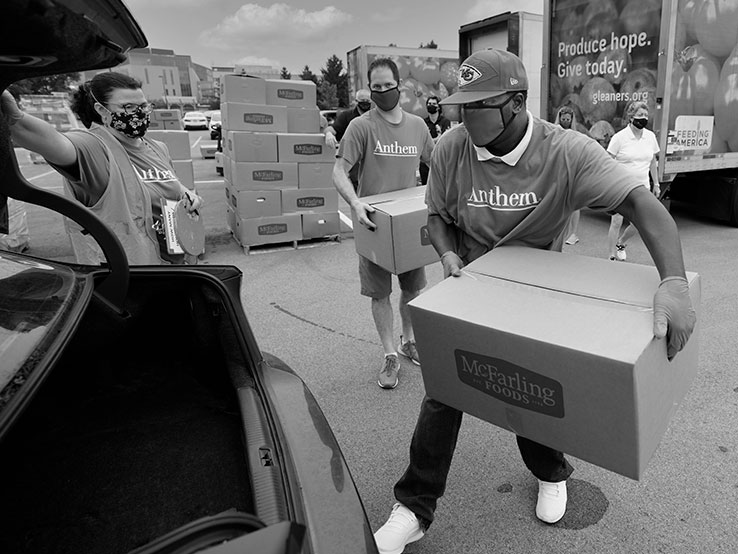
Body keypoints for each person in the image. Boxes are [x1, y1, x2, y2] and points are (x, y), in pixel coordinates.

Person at [373, 48, 696, 554]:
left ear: (517, 103)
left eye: (479, 105)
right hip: (475, 288)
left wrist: (672, 279)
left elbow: (640, 202)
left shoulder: (565, 152)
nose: (464, 116)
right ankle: (414, 507)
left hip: (536, 296)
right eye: (463, 105)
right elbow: (435, 213)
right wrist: (447, 253)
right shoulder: (451, 149)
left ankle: (550, 472)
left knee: (530, 387)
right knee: (444, 390)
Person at [1, 72, 203, 265]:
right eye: (129, 107)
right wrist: (14, 119)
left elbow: (168, 186)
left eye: (144, 106)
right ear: (101, 110)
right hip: (132, 277)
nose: (139, 113)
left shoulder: (157, 148)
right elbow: (54, 143)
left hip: (175, 265)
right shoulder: (93, 148)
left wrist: (187, 193)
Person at [332, 58, 434, 389]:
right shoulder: (361, 127)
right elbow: (338, 171)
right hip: (373, 223)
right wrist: (355, 202)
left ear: (399, 85)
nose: (381, 92)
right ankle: (389, 353)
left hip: (408, 223)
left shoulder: (418, 127)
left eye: (387, 85)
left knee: (413, 289)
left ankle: (409, 340)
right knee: (379, 294)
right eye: (375, 87)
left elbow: (438, 164)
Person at [606, 101, 661, 261]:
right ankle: (611, 257)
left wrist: (656, 184)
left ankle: (621, 243)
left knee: (639, 223)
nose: (643, 118)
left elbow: (652, 162)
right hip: (621, 187)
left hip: (642, 187)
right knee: (616, 221)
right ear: (631, 117)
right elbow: (607, 161)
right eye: (640, 115)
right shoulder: (620, 138)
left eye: (645, 115)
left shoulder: (650, 137)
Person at [325, 89, 372, 190]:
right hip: (355, 161)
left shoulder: (375, 117)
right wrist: (328, 134)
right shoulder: (347, 116)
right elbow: (332, 129)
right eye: (362, 100)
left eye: (368, 101)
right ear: (356, 101)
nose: (365, 103)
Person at [554, 106, 581, 245]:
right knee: (559, 204)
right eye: (563, 119)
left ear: (571, 120)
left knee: (574, 204)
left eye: (567, 119)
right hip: (558, 170)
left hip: (572, 169)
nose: (565, 121)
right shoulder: (554, 132)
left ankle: (573, 233)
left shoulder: (575, 134)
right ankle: (560, 232)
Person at [419, 95, 451, 186]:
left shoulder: (445, 121)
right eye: (429, 104)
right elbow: (421, 142)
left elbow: (445, 140)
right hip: (425, 161)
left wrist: (430, 140)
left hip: (441, 159)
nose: (431, 105)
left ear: (438, 107)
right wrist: (438, 138)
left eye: (433, 104)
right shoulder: (423, 122)